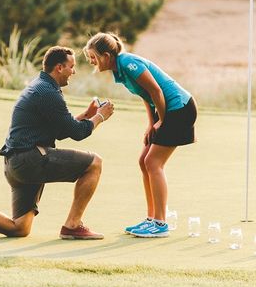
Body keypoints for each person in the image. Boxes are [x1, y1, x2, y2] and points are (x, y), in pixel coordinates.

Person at [0, 46, 114, 241]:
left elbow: (60, 129)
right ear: (59, 67)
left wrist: (86, 115)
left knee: (20, 228)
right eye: (71, 67)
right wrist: (100, 116)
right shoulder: (48, 92)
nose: (73, 72)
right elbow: (77, 133)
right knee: (95, 163)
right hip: (29, 160)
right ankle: (72, 226)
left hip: (15, 163)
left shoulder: (41, 85)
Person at [84, 32, 197, 238]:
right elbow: (146, 95)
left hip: (179, 108)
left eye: (93, 56)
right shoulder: (119, 69)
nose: (91, 61)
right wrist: (151, 124)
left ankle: (161, 223)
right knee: (143, 161)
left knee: (154, 163)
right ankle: (152, 218)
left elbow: (156, 91)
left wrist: (162, 120)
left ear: (107, 55)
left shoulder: (127, 62)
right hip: (166, 111)